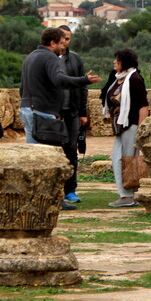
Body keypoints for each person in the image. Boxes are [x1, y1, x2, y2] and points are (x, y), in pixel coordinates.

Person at [20, 27, 101, 210]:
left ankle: (35, 199)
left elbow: (22, 86)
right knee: (49, 159)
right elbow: (59, 80)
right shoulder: (49, 57)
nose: (62, 45)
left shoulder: (31, 56)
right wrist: (84, 80)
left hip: (28, 109)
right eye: (60, 42)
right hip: (42, 113)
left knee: (35, 159)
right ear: (53, 43)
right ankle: (54, 199)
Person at [100, 48, 149, 208]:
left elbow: (143, 106)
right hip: (119, 125)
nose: (114, 62)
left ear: (124, 62)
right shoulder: (118, 79)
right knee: (117, 158)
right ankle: (124, 193)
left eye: (117, 60)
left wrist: (141, 129)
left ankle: (129, 195)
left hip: (131, 124)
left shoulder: (134, 79)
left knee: (129, 159)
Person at [57, 25, 90, 206]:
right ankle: (56, 189)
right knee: (55, 149)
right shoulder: (48, 58)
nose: (64, 42)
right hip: (55, 112)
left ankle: (70, 189)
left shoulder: (75, 59)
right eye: (62, 38)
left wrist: (83, 112)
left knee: (71, 150)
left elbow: (82, 87)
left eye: (68, 39)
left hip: (72, 112)